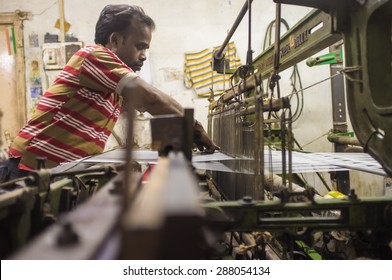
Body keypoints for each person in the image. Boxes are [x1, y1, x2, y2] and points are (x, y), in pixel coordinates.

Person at [0, 4, 218, 183]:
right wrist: (194, 129)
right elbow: (151, 98)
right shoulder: (93, 56)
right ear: (114, 40)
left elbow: (151, 108)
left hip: (55, 171)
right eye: (139, 47)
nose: (143, 56)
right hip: (27, 170)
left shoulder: (112, 83)